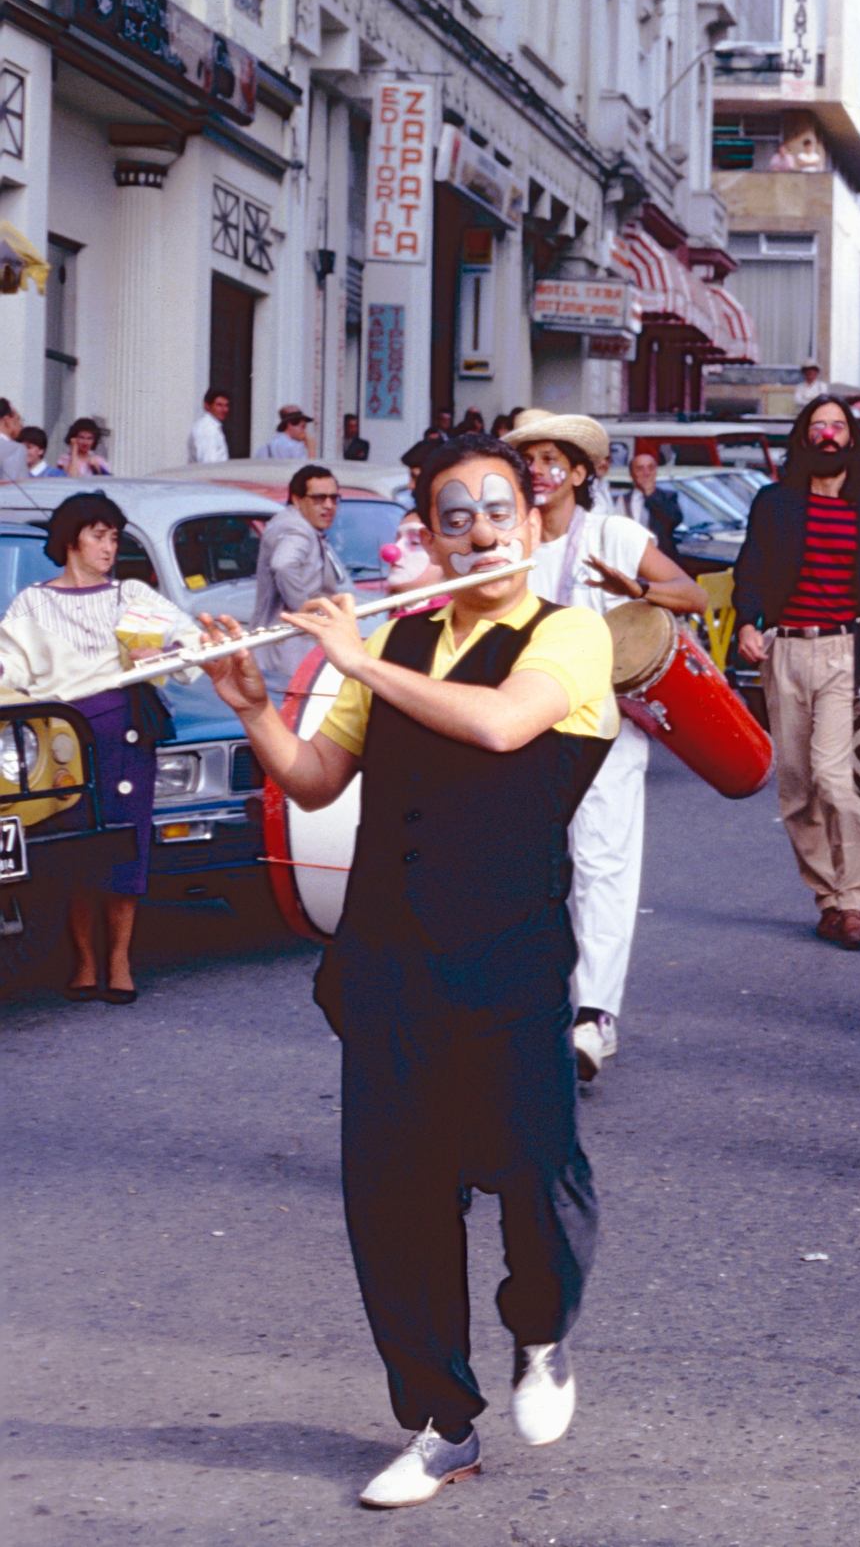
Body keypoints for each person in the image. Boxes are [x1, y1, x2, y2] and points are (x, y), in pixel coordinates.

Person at [190, 435, 613, 1509]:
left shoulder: (569, 634)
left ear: (534, 518)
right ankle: (441, 1421)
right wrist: (250, 703)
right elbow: (318, 778)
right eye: (457, 516)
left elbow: (504, 723)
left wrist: (358, 657)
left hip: (510, 955)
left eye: (501, 511)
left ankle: (540, 1330)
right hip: (389, 956)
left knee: (535, 1168)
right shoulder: (397, 634)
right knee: (396, 1196)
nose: (484, 532)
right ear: (428, 531)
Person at [508, 410, 708, 1079]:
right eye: (528, 459)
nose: (536, 471)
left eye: (547, 458)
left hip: (606, 729)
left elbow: (693, 595)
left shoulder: (615, 533)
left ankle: (595, 1016)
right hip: (527, 724)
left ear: (583, 471)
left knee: (603, 868)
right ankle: (530, 1010)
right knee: (530, 870)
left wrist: (638, 589)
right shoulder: (510, 541)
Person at [0, 492, 200, 1003]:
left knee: (125, 846)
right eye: (98, 535)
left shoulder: (130, 594)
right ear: (71, 539)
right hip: (62, 740)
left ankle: (120, 961)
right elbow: (10, 668)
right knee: (77, 849)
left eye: (114, 537)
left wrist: (166, 652)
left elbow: (188, 639)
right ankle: (86, 963)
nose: (109, 546)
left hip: (125, 734)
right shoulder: (32, 603)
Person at [732, 395, 860, 950]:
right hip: (785, 650)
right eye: (817, 425)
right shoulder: (775, 503)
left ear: (852, 439)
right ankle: (826, 898)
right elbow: (751, 570)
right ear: (804, 438)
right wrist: (748, 624)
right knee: (797, 786)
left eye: (838, 426)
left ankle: (854, 900)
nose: (828, 434)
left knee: (834, 776)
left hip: (841, 653)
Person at [248, 466, 354, 695]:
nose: (328, 505)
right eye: (318, 498)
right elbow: (283, 564)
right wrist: (305, 610)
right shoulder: (298, 529)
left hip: (283, 647)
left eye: (334, 498)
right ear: (297, 499)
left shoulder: (292, 524)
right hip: (289, 649)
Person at [627, 451, 684, 568]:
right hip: (632, 560)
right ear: (631, 474)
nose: (646, 473)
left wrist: (650, 495)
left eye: (651, 468)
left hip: (661, 561)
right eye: (640, 469)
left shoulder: (668, 497)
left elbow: (673, 520)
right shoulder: (623, 500)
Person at [189, 387, 232, 463]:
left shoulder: (213, 427)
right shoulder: (207, 429)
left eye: (226, 405)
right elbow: (209, 465)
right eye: (219, 405)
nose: (224, 409)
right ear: (207, 406)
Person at [0, 397, 27, 481]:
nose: (21, 425)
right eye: (18, 419)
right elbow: (14, 487)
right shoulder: (15, 449)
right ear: (7, 420)